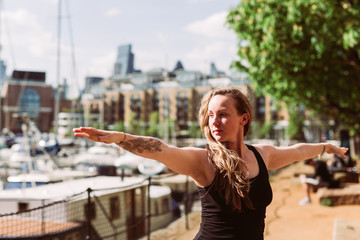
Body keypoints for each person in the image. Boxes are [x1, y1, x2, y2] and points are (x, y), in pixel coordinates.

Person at [73, 87, 348, 240]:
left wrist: (326, 147)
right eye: (211, 115)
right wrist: (120, 137)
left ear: (244, 118)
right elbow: (160, 149)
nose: (214, 122)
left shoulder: (262, 155)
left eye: (224, 114)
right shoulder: (203, 161)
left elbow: (297, 150)